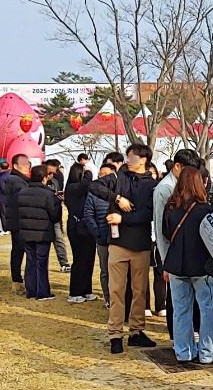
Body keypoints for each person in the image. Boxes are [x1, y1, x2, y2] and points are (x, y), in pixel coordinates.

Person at [90, 143, 159, 354]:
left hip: (140, 244)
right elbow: (94, 186)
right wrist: (117, 198)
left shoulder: (151, 184)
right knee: (116, 290)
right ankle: (115, 334)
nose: (128, 161)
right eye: (128, 157)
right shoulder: (118, 177)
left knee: (140, 291)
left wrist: (123, 218)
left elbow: (147, 215)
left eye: (132, 157)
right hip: (118, 243)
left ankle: (136, 331)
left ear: (143, 159)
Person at [162, 167, 213, 366]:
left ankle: (183, 351)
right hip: (202, 266)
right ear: (199, 183)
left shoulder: (170, 207)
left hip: (176, 264)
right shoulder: (205, 209)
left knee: (181, 310)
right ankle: (207, 351)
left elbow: (166, 233)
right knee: (206, 309)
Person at [153, 149, 203, 327]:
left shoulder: (180, 187)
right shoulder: (165, 188)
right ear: (177, 166)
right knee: (176, 298)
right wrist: (166, 260)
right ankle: (176, 334)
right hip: (172, 253)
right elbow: (161, 227)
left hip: (184, 252)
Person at [17, 165, 61, 300]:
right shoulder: (48, 194)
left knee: (30, 261)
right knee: (41, 262)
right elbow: (55, 217)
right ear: (44, 177)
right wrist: (58, 203)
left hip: (26, 232)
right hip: (43, 233)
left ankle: (31, 290)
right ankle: (42, 292)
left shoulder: (22, 192)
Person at [83, 163, 116, 307]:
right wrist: (97, 233)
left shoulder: (119, 191)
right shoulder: (93, 194)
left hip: (119, 238)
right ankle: (108, 298)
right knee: (105, 270)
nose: (102, 177)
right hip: (102, 238)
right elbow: (88, 215)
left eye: (106, 174)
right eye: (100, 174)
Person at [64, 163, 98, 304]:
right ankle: (75, 291)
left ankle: (86, 290)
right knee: (79, 259)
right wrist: (89, 172)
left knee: (89, 259)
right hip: (76, 226)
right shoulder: (72, 188)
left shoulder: (83, 189)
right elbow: (85, 184)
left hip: (87, 226)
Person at [0, 155, 32, 295]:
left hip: (17, 221)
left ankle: (18, 280)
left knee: (18, 251)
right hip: (19, 221)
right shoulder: (16, 181)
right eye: (24, 164)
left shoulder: (19, 180)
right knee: (19, 251)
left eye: (28, 164)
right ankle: (18, 281)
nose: (27, 167)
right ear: (15, 166)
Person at [44, 159, 71, 273]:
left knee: (58, 239)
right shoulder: (37, 182)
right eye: (49, 172)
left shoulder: (55, 182)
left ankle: (64, 263)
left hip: (54, 215)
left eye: (53, 172)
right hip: (42, 216)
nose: (51, 175)